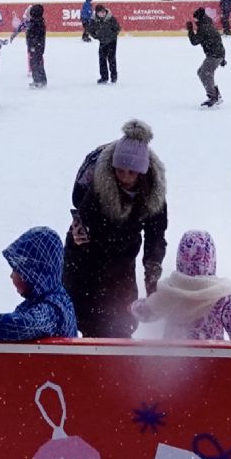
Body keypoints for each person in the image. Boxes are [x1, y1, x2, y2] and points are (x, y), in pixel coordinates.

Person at [62, 119, 168, 339]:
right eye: (120, 171)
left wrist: (152, 277)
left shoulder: (153, 194)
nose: (125, 178)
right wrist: (79, 235)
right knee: (88, 320)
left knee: (121, 323)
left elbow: (155, 237)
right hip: (87, 261)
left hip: (122, 261)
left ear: (143, 171)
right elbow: (82, 222)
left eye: (132, 172)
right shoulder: (99, 187)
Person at [129, 230, 231, 341]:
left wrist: (132, 307)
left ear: (180, 259)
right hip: (212, 362)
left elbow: (145, 312)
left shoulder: (169, 294)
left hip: (173, 362)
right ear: (211, 260)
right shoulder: (220, 297)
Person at [188, 7, 225, 108]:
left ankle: (213, 97)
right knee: (201, 72)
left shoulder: (204, 27)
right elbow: (218, 41)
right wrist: (223, 58)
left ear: (199, 18)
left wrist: (190, 30)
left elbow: (194, 41)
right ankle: (216, 94)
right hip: (216, 54)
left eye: (195, 19)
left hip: (214, 55)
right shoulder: (208, 25)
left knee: (205, 74)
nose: (194, 21)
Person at [15, 4, 48, 88]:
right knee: (37, 62)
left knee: (35, 63)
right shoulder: (38, 21)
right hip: (38, 46)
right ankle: (41, 80)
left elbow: (34, 35)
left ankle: (38, 80)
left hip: (35, 46)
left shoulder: (35, 22)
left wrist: (33, 45)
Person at [90, 4, 121, 83]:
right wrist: (97, 36)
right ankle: (104, 77)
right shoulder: (94, 21)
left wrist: (112, 35)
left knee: (111, 58)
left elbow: (118, 28)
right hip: (103, 41)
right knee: (102, 59)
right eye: (100, 12)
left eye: (103, 12)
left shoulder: (111, 19)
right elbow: (91, 30)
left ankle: (114, 76)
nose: (102, 14)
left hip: (112, 41)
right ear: (97, 13)